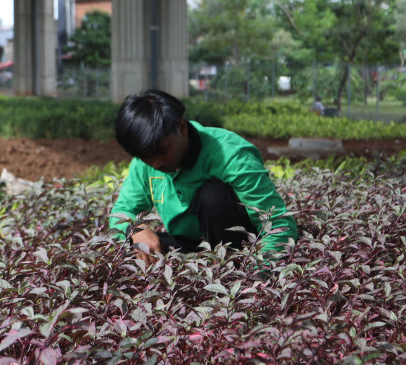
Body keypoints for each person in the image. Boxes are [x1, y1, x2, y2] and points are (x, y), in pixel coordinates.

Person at [108, 89, 298, 262]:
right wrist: (135, 229)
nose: (156, 164)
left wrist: (257, 282)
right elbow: (121, 212)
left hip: (239, 248)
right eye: (145, 157)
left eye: (163, 150)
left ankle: (229, 269)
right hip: (190, 245)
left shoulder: (231, 155)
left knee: (212, 195)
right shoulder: (146, 162)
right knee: (131, 246)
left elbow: (278, 226)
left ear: (182, 128)